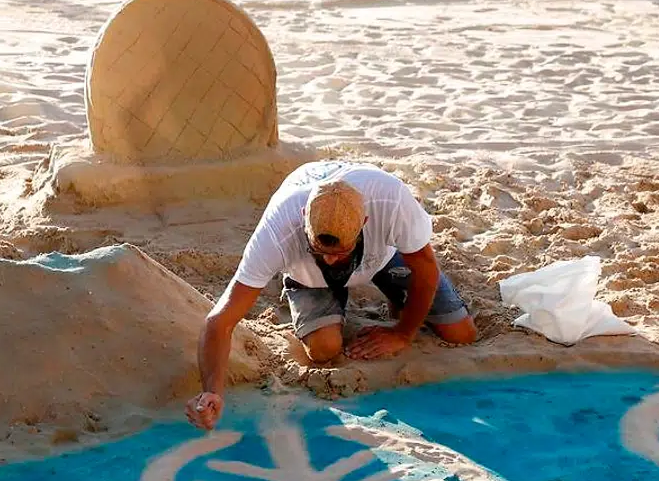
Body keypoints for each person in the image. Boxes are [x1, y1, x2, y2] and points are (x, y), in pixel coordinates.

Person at [186, 161, 477, 431]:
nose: (330, 261)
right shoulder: (277, 230)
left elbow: (426, 268)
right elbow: (220, 321)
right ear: (303, 220)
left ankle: (392, 296)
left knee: (460, 333)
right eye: (320, 250)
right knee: (324, 348)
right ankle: (306, 286)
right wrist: (212, 391)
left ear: (364, 222)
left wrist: (403, 333)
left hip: (380, 257)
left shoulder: (391, 200)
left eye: (339, 253)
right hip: (307, 276)